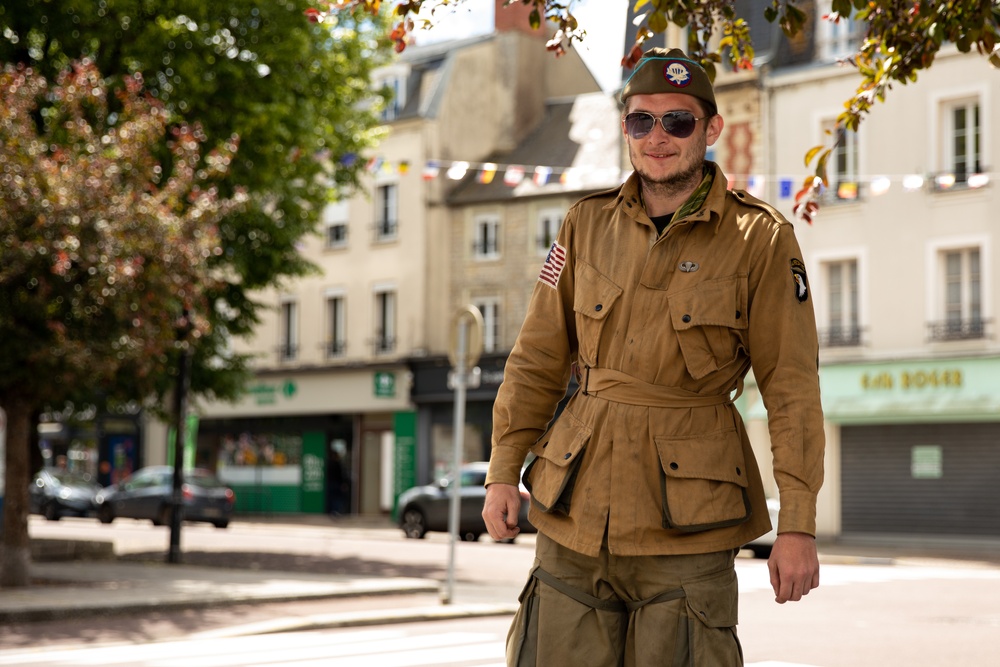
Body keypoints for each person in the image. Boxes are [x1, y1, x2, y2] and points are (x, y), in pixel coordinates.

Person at [482, 47, 826, 666]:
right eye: (642, 120)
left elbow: (792, 387)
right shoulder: (583, 225)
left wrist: (797, 521)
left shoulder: (762, 238)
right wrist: (504, 469)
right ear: (625, 127)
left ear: (711, 129)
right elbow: (535, 359)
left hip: (689, 525)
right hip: (573, 513)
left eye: (678, 121)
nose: (658, 137)